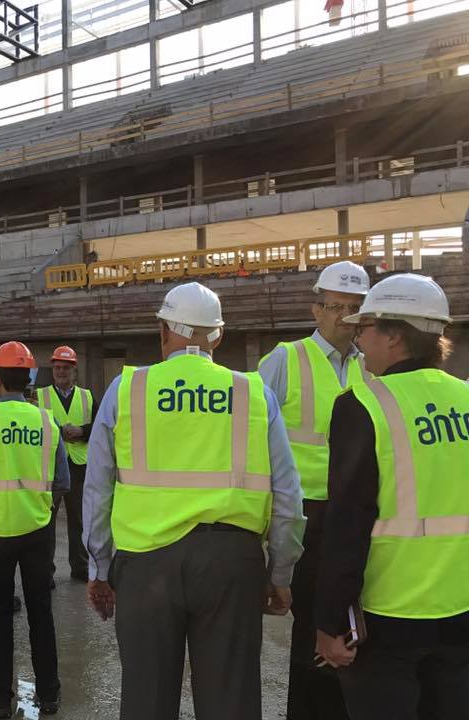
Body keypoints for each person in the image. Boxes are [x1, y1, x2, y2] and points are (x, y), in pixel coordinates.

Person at [82, 282, 306, 720]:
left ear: (164, 331)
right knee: (231, 702)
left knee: (146, 700)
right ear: (217, 336)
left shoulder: (127, 389)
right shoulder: (253, 393)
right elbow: (287, 496)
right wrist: (280, 573)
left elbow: (98, 488)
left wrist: (99, 567)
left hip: (146, 566)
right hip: (231, 566)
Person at [314, 273, 469, 720]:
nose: (358, 339)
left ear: (395, 336)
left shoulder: (363, 405)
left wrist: (328, 623)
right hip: (460, 614)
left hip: (388, 620)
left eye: (365, 328)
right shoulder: (464, 399)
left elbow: (347, 524)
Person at [258, 260, 370, 720]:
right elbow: (253, 439)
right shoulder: (285, 359)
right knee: (312, 630)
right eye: (335, 307)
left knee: (351, 626)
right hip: (306, 513)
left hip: (359, 512)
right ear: (316, 309)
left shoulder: (371, 367)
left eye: (354, 309)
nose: (344, 317)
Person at [0, 341, 70, 718]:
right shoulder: (46, 420)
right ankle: (50, 694)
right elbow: (62, 480)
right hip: (38, 530)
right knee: (42, 612)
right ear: (29, 378)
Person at [36, 345, 98, 582]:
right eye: (57, 367)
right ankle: (46, 572)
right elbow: (35, 427)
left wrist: (82, 430)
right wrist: (59, 431)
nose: (61, 371)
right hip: (49, 466)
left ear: (74, 370)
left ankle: (80, 568)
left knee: (79, 520)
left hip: (79, 466)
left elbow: (101, 427)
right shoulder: (40, 396)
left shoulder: (88, 396)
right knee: (47, 521)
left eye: (66, 368)